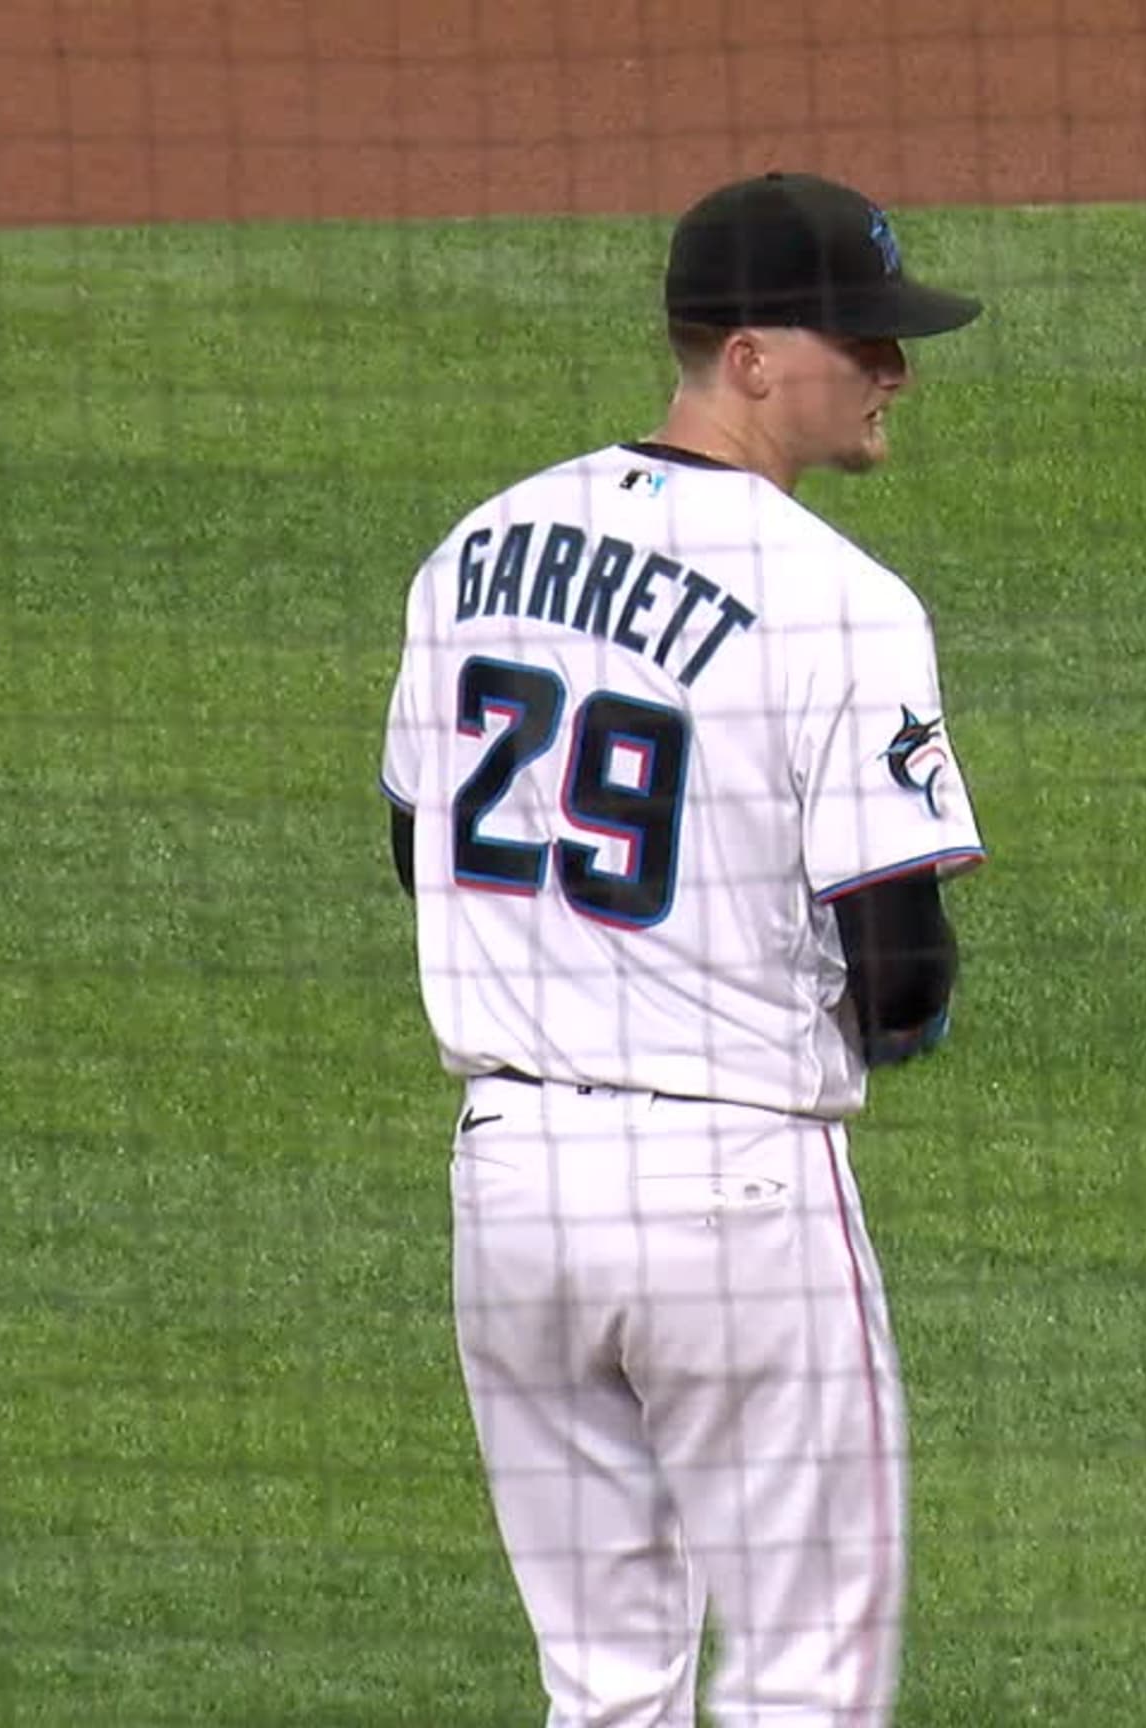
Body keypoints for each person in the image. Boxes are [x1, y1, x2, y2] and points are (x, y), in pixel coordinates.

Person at [377, 170, 990, 1726]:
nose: (895, 369)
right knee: (805, 1681)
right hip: (733, 1199)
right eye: (866, 339)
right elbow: (902, 973)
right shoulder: (838, 600)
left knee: (603, 1688)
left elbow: (417, 844)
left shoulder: (480, 545)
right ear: (752, 355)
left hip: (508, 1187)